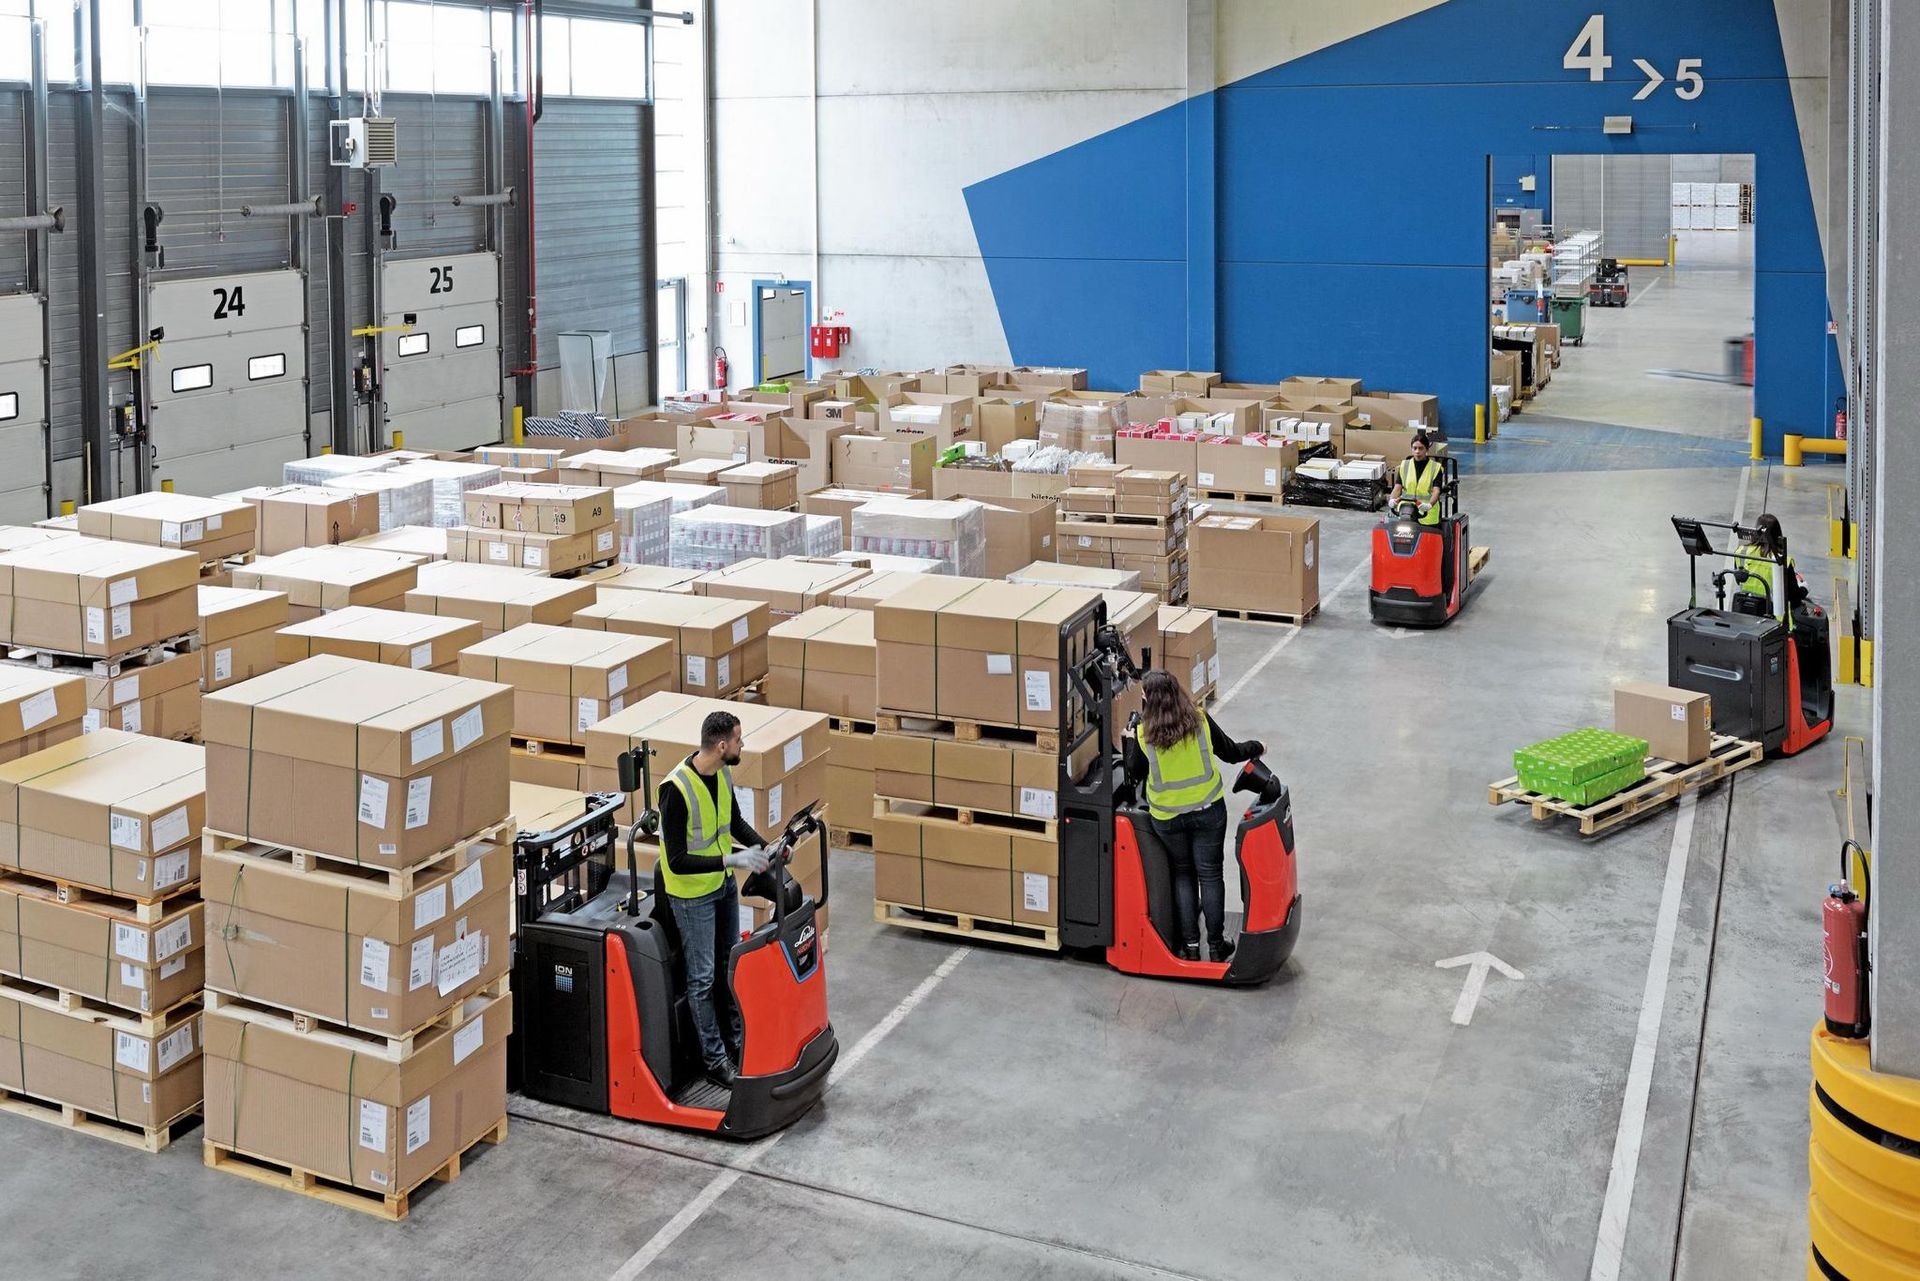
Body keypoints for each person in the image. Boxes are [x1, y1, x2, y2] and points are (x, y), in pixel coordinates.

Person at [658, 710, 772, 1089]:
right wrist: (732, 859)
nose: (743, 745)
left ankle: (737, 1042)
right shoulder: (675, 789)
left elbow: (734, 822)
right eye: (739, 740)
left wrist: (764, 848)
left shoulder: (722, 773)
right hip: (692, 898)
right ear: (722, 745)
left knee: (730, 965)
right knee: (703, 979)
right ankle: (714, 1059)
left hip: (722, 886)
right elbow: (676, 859)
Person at [1122, 671, 1264, 963]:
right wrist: (1257, 747)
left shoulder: (1143, 733)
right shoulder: (1199, 719)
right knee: (1210, 874)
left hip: (1168, 819)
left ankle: (1190, 946)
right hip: (1208, 811)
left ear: (1148, 699)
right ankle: (1215, 945)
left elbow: (1133, 774)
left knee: (1183, 874)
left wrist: (1129, 741)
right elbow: (1232, 752)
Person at [1734, 513, 1809, 625]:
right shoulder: (1782, 561)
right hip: (1775, 622)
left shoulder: (1741, 552)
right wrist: (1804, 588)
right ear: (1777, 535)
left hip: (1744, 615)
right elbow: (1794, 598)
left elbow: (1739, 578)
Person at [1387, 431, 1446, 527]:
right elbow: (1397, 488)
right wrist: (1392, 500)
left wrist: (1429, 505)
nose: (1417, 451)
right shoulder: (1405, 465)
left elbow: (1436, 491)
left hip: (1427, 515)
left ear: (1427, 449)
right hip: (1406, 513)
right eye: (1415, 448)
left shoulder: (1435, 468)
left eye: (1421, 448)